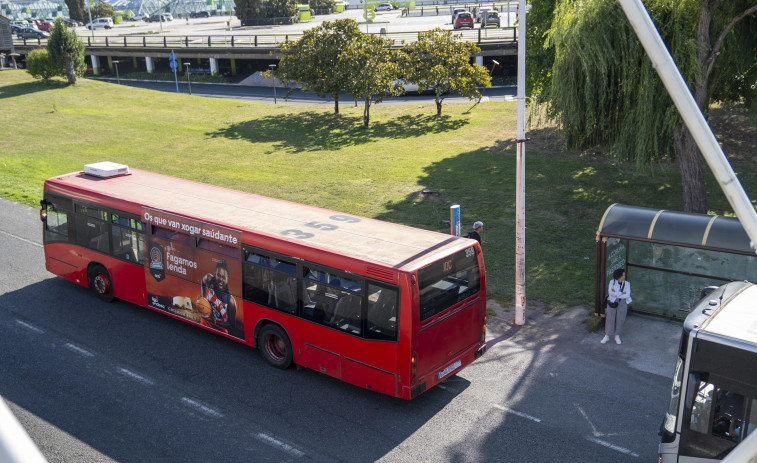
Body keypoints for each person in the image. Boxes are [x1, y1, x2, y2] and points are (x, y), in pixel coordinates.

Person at [199, 259, 237, 334]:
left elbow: (232, 326)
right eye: (218, 275)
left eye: (223, 277)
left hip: (220, 332)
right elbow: (203, 282)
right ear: (215, 274)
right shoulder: (209, 279)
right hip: (204, 325)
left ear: (227, 279)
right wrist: (203, 298)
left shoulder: (230, 302)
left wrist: (214, 321)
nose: (220, 279)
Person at [601, 268, 631, 345]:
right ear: (618, 276)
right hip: (612, 302)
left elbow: (627, 294)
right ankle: (607, 336)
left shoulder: (627, 284)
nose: (624, 276)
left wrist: (616, 293)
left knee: (620, 319)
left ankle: (617, 336)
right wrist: (621, 293)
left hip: (622, 303)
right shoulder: (612, 282)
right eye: (622, 275)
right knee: (610, 318)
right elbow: (610, 292)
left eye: (624, 275)